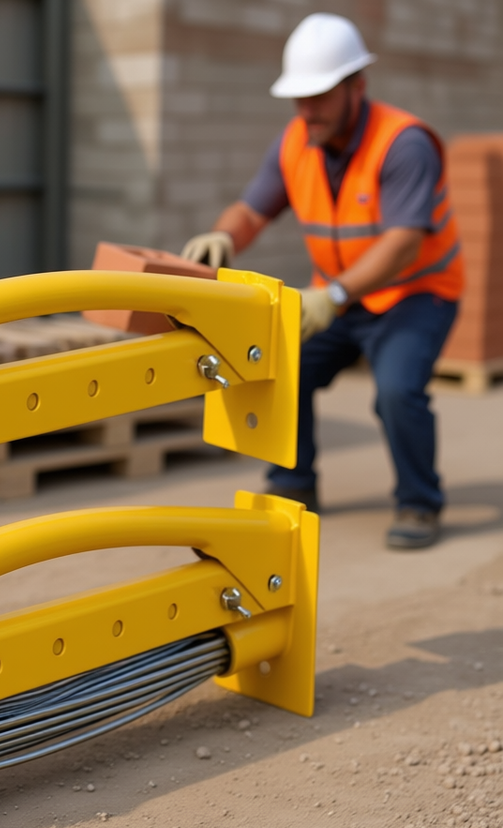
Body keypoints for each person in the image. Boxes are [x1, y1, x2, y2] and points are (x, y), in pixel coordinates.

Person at [182, 13, 463, 549]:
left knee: (396, 392)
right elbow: (252, 209)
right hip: (339, 295)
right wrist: (224, 236)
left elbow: (403, 242)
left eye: (320, 96)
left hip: (415, 295)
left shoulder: (404, 144)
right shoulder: (296, 142)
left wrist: (333, 296)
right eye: (299, 98)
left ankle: (419, 502)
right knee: (281, 367)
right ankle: (293, 484)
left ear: (358, 86)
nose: (307, 110)